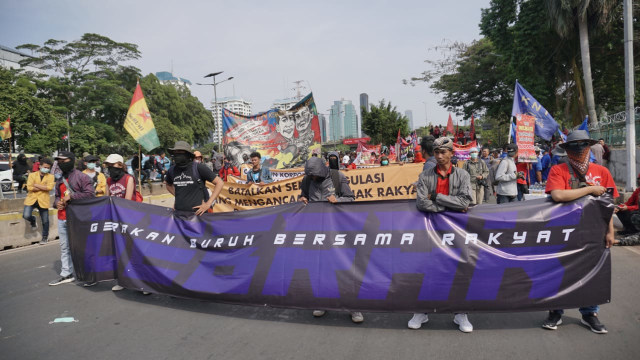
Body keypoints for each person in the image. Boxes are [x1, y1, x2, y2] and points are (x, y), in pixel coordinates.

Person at [541, 130, 618, 334]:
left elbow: (607, 205)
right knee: (559, 272)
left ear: (588, 147)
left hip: (593, 231)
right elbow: (558, 195)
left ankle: (589, 313)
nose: (578, 150)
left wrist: (610, 231)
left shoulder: (602, 172)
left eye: (582, 145)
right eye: (573, 146)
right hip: (562, 231)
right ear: (566, 150)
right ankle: (555, 311)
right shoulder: (558, 170)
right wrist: (590, 190)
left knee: (591, 272)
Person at [409, 136, 473, 332]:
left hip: (456, 230)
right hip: (430, 230)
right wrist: (448, 207)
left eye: (443, 152)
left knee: (457, 270)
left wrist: (436, 197)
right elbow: (421, 203)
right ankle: (422, 311)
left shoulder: (462, 175)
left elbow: (465, 202)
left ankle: (460, 313)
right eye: (436, 152)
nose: (439, 155)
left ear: (452, 154)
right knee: (427, 270)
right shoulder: (426, 175)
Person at [300, 156, 360, 322]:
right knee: (320, 270)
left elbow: (351, 198)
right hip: (317, 232)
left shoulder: (337, 177)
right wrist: (302, 199)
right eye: (310, 176)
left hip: (338, 232)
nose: (312, 178)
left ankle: (353, 308)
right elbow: (303, 196)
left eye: (315, 175)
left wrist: (337, 200)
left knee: (345, 269)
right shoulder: (306, 180)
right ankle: (322, 303)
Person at [48, 151, 95, 286]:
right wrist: (57, 203)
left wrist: (72, 197)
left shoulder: (82, 177)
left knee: (82, 247)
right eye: (59, 162)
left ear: (72, 160)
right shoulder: (59, 179)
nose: (62, 164)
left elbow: (90, 194)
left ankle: (90, 274)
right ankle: (66, 273)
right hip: (63, 217)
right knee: (65, 247)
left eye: (64, 161)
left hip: (79, 218)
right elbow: (57, 195)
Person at [166, 141, 224, 216]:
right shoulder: (172, 170)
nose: (177, 155)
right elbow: (168, 185)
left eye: (180, 152)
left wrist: (208, 204)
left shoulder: (198, 168)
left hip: (198, 216)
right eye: (175, 152)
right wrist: (178, 196)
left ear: (187, 154)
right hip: (179, 215)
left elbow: (219, 182)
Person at [23, 158, 54, 244]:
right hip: (32, 199)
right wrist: (43, 187)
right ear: (40, 166)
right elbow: (29, 187)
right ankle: (33, 220)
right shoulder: (32, 175)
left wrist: (36, 185)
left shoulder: (51, 176)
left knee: (45, 220)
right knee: (26, 215)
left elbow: (49, 188)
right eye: (45, 167)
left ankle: (45, 237)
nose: (46, 169)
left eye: (48, 168)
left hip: (43, 200)